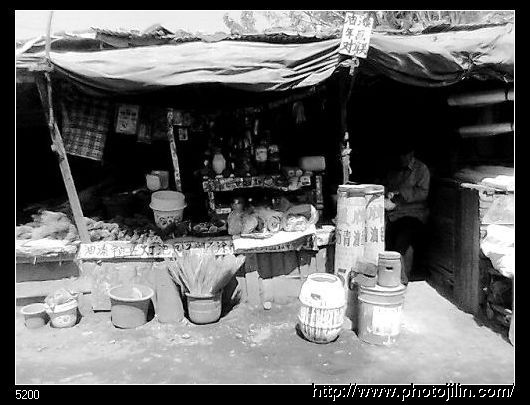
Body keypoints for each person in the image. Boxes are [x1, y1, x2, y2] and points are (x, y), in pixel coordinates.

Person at [384, 143, 430, 284]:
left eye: (404, 155)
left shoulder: (421, 169)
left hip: (414, 214)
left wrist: (401, 194)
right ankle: (389, 275)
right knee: (387, 238)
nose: (401, 159)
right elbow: (388, 186)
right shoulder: (394, 169)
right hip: (395, 213)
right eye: (399, 156)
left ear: (411, 154)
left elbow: (423, 193)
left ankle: (402, 279)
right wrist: (388, 193)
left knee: (403, 240)